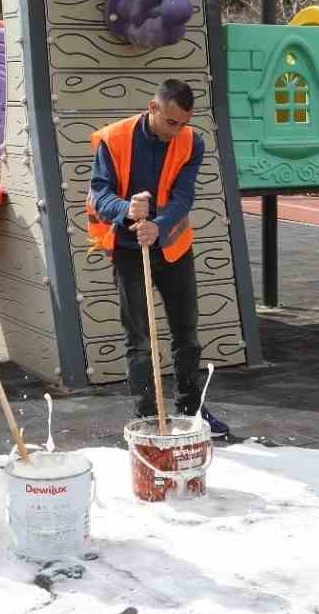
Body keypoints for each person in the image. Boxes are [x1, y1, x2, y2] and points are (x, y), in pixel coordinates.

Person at [87, 79, 229, 438]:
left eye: (182, 123)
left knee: (187, 332)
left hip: (174, 247)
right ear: (153, 108)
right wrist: (126, 208)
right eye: (170, 122)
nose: (176, 130)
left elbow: (183, 198)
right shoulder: (113, 139)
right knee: (139, 337)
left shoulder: (191, 142)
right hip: (128, 251)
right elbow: (98, 195)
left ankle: (191, 408)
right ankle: (151, 418)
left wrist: (160, 227)